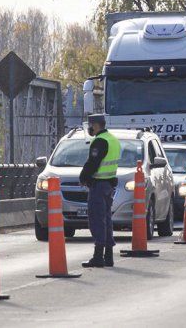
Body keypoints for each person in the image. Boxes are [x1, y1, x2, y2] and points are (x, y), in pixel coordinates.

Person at [79, 114, 121, 268]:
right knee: (106, 220)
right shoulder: (113, 140)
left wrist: (83, 177)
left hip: (98, 185)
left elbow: (93, 163)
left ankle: (98, 257)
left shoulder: (100, 141)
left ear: (95, 125)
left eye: (90, 125)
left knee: (97, 220)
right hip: (109, 184)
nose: (89, 128)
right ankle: (108, 256)